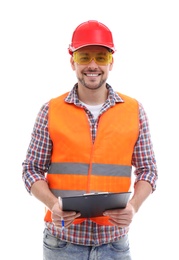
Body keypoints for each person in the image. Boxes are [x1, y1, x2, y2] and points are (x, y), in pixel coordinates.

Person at [22, 20, 158, 260]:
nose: (93, 65)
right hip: (62, 244)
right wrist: (54, 204)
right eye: (84, 57)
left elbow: (148, 170)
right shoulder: (50, 110)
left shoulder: (134, 110)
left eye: (101, 57)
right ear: (72, 61)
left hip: (114, 244)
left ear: (111, 62)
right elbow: (31, 170)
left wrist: (134, 206)